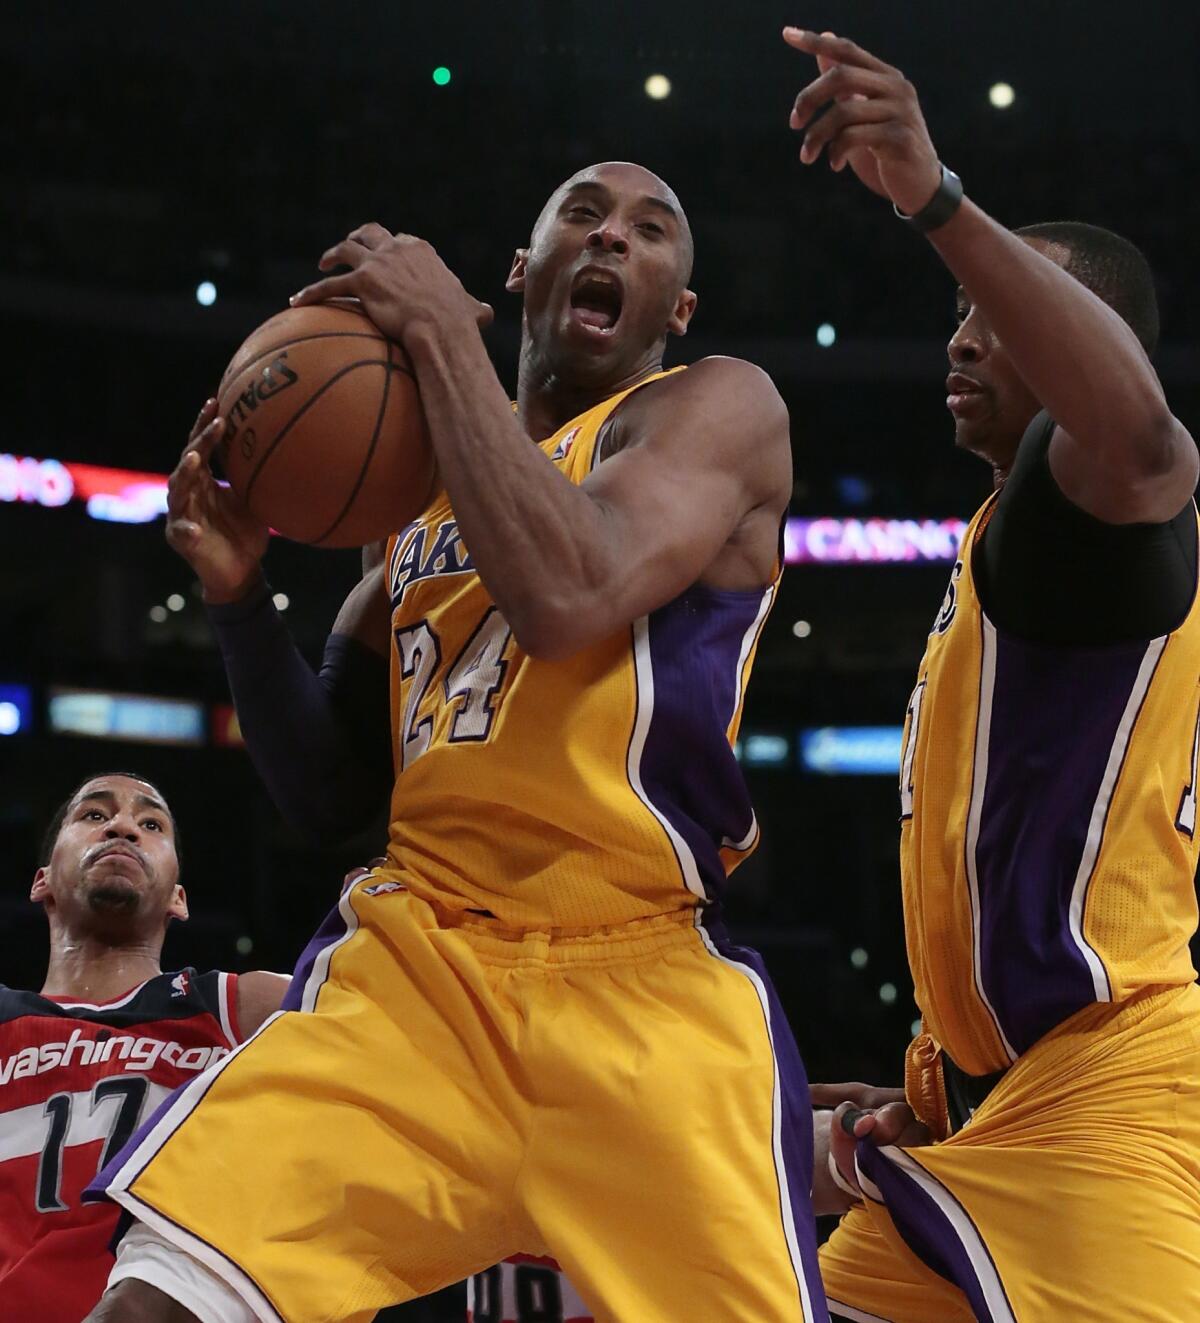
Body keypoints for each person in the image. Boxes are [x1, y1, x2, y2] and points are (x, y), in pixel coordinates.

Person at [85, 160, 827, 1323]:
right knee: (149, 1303)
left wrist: (437, 336)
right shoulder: (415, 511)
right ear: (524, 272)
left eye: (651, 230)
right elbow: (334, 798)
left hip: (644, 988)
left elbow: (575, 592)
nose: (614, 239)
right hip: (420, 969)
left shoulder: (716, 409)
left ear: (678, 307)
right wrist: (236, 594)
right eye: (582, 215)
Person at [782, 26, 1200, 1323]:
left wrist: (940, 202)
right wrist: (935, 1084)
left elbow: (1134, 436)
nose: (963, 338)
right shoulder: (1004, 545)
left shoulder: (1104, 510)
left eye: (997, 312)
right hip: (1000, 1107)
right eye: (960, 313)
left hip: (1118, 1101)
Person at [0, 772, 287, 1322]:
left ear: (178, 899)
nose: (123, 827)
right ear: (43, 882)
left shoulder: (237, 1009)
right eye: (94, 815)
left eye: (150, 823)